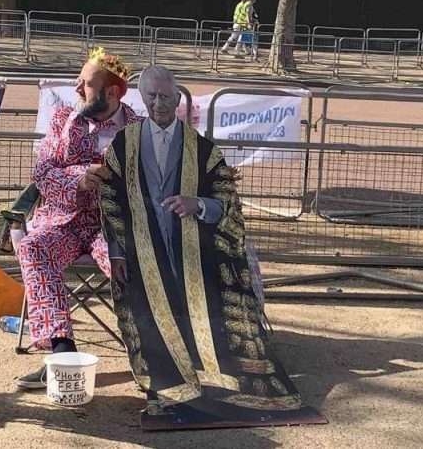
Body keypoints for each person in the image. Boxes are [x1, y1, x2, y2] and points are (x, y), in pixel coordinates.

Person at [98, 65, 304, 419]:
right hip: (142, 255)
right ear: (142, 98)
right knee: (151, 312)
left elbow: (228, 203)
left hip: (196, 255)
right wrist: (116, 253)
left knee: (206, 307)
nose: (158, 103)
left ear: (178, 99)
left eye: (165, 96)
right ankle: (168, 380)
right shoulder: (123, 145)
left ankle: (215, 375)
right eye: (151, 96)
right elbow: (110, 199)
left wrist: (199, 205)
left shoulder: (204, 149)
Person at [15, 47, 141, 390]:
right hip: (63, 221)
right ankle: (62, 354)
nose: (76, 88)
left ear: (112, 92)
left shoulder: (139, 131)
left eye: (85, 83)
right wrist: (79, 178)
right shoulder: (62, 120)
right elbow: (42, 172)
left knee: (134, 260)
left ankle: (151, 352)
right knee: (33, 248)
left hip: (113, 225)